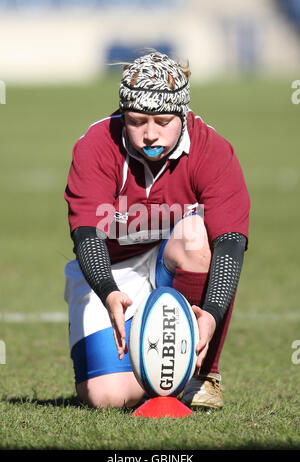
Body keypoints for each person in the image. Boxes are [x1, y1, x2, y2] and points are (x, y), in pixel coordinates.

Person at [64, 51, 250, 410]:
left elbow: (230, 241)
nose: (150, 134)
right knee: (106, 398)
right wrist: (108, 291)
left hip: (169, 259)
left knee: (196, 235)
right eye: (137, 121)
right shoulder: (96, 144)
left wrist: (210, 312)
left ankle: (202, 375)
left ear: (182, 113)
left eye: (163, 121)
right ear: (123, 115)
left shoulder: (212, 149)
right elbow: (86, 233)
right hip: (110, 270)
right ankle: (154, 365)